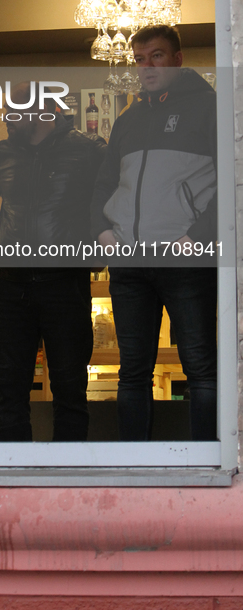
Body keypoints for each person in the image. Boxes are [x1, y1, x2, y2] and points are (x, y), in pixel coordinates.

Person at [91, 25, 217, 441]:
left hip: (184, 259)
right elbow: (104, 184)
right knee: (133, 373)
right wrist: (105, 232)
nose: (147, 67)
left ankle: (208, 463)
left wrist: (198, 235)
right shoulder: (128, 119)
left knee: (199, 367)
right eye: (140, 59)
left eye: (156, 56)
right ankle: (134, 463)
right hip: (131, 264)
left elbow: (235, 181)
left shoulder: (210, 108)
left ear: (178, 59)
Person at [0, 82, 105, 442]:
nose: (5, 119)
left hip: (64, 284)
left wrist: (98, 254)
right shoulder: (3, 154)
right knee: (9, 392)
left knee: (70, 391)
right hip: (11, 287)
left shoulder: (87, 151)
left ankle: (68, 482)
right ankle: (13, 479)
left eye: (13, 113)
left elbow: (106, 204)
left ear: (41, 112)